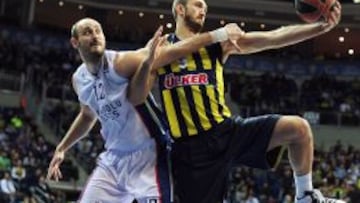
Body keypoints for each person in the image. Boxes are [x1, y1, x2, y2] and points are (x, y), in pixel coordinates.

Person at [152, 0, 345, 203]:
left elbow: (273, 38)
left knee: (299, 129)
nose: (204, 11)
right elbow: (153, 61)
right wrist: (217, 34)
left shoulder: (217, 46)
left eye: (205, 8)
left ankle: (305, 196)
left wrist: (321, 28)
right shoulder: (162, 46)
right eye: (198, 5)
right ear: (180, 9)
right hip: (191, 150)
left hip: (226, 132)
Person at [46, 17, 241, 203]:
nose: (95, 35)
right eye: (88, 32)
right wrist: (62, 147)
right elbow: (87, 115)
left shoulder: (121, 63)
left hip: (149, 155)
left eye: (98, 31)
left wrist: (217, 35)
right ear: (75, 42)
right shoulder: (79, 79)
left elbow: (173, 52)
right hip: (113, 160)